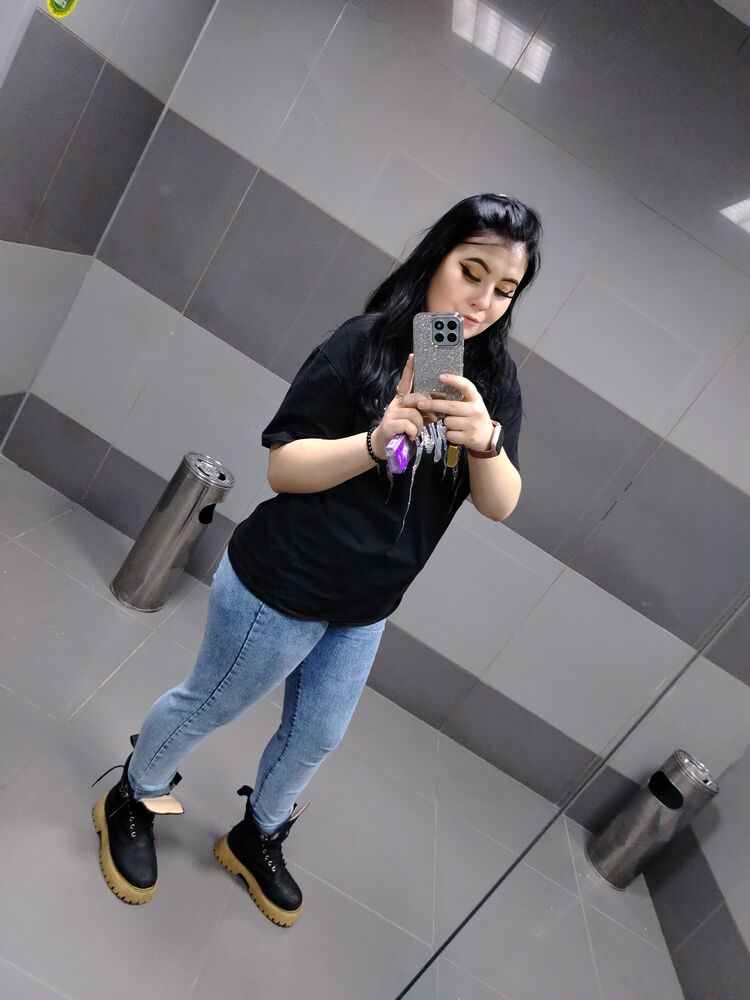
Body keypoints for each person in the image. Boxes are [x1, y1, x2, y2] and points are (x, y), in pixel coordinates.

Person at [92, 193, 542, 927]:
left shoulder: (492, 383)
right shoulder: (362, 344)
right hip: (283, 583)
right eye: (472, 272)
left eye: (505, 289)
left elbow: (500, 504)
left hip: (366, 606)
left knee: (316, 738)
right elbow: (283, 468)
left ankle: (257, 834)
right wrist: (375, 441)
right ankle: (132, 794)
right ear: (437, 258)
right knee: (212, 702)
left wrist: (486, 442)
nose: (482, 301)